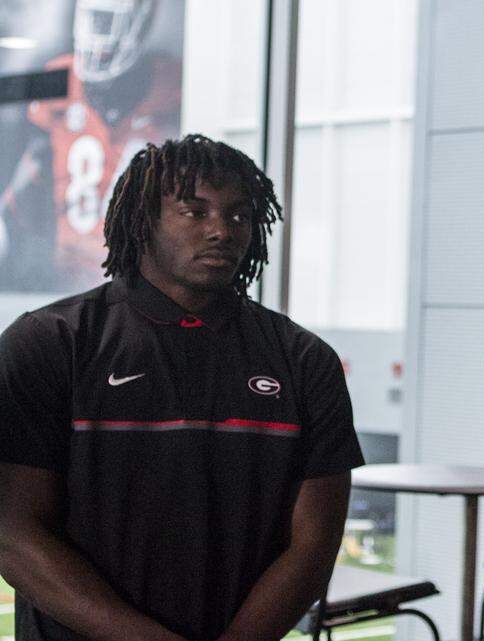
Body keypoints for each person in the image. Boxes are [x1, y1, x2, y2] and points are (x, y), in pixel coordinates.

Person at [0, 134, 364, 641]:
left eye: (239, 216)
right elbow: (14, 535)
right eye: (195, 212)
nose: (222, 230)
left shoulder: (304, 360)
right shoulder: (50, 342)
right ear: (144, 220)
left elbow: (313, 547)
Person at [0, 0, 180, 292]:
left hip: (140, 281)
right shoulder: (60, 81)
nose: (99, 37)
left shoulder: (172, 88)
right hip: (66, 277)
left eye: (106, 22)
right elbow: (27, 184)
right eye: (94, 20)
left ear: (142, 22)